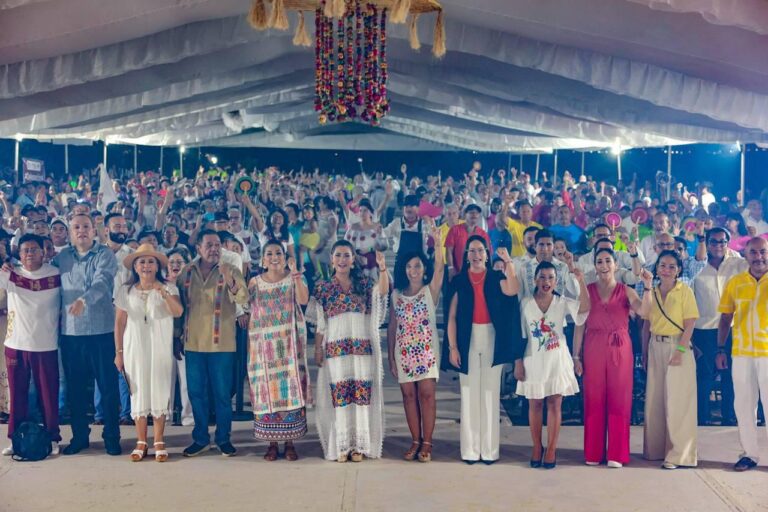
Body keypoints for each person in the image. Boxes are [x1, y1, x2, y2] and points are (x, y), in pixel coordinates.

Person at [572, 249, 653, 468]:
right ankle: (593, 452)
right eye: (599, 261)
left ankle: (617, 453)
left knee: (620, 397)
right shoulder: (587, 290)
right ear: (595, 266)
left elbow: (645, 312)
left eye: (608, 260)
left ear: (616, 264)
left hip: (620, 346)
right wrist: (576, 356)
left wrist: (647, 287)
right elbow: (579, 324)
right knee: (594, 397)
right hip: (593, 345)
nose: (604, 265)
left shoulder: (626, 290)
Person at [311, 241, 389, 462]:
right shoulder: (323, 287)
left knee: (361, 396)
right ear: (332, 259)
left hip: (361, 349)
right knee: (341, 396)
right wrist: (318, 347)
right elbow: (320, 322)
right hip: (336, 349)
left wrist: (383, 269)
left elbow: (381, 293)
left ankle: (359, 446)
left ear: (353, 260)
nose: (342, 260)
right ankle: (342, 446)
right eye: (338, 255)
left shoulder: (364, 283)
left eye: (347, 255)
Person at [445, 237, 521, 464]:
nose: (476, 255)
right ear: (466, 255)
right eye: (472, 251)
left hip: (491, 337)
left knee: (489, 393)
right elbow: (451, 317)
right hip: (466, 339)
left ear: (487, 255)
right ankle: (470, 450)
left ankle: (489, 451)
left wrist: (509, 263)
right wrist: (453, 347)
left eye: (480, 251)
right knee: (469, 393)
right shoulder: (459, 281)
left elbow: (512, 289)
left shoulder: (497, 277)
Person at [176, 229, 248, 457]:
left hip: (222, 344)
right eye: (209, 245)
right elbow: (178, 310)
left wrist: (230, 280)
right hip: (193, 343)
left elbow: (243, 299)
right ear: (198, 248)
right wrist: (176, 337)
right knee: (196, 393)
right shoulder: (186, 273)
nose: (214, 249)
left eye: (217, 245)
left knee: (222, 395)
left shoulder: (231, 270)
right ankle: (200, 438)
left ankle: (223, 438)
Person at [54, 213, 121, 456]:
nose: (81, 231)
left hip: (101, 333)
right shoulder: (61, 258)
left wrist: (84, 300)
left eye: (85, 226)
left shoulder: (105, 255)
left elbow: (102, 283)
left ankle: (112, 437)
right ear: (70, 233)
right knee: (75, 389)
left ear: (95, 230)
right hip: (71, 336)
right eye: (76, 227)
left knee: (108, 388)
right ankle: (80, 437)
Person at [515, 261, 589, 469]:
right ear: (535, 280)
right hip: (533, 359)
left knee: (555, 404)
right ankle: (537, 446)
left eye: (551, 278)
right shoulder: (525, 304)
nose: (546, 282)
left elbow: (584, 309)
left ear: (556, 281)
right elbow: (519, 336)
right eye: (542, 277)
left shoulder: (562, 302)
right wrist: (518, 362)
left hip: (557, 360)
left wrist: (581, 281)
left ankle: (552, 448)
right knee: (535, 404)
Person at [114, 244, 183, 462]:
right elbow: (119, 322)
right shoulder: (126, 290)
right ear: (135, 266)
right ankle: (141, 440)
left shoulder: (169, 287)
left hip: (160, 344)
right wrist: (119, 352)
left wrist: (162, 292)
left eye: (150, 261)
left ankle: (159, 439)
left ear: (157, 265)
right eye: (141, 261)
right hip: (134, 345)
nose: (146, 265)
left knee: (160, 387)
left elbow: (178, 312)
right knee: (138, 390)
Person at [247, 240, 310, 461]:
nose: (274, 257)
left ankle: (290, 442)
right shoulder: (254, 282)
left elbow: (304, 300)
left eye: (278, 253)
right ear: (263, 260)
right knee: (267, 392)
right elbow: (244, 306)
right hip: (263, 349)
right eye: (270, 253)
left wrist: (296, 275)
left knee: (289, 390)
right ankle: (271, 443)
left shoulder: (293, 280)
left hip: (288, 347)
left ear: (285, 257)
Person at [387, 222, 444, 463]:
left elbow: (441, 267)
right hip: (404, 352)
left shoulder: (430, 290)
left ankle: (427, 443)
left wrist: (437, 242)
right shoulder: (397, 294)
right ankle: (415, 439)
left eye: (418, 266)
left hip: (427, 352)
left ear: (424, 268)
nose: (413, 270)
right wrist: (391, 356)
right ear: (404, 269)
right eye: (409, 266)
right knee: (408, 396)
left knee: (427, 395)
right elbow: (392, 326)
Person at [0, 234, 62, 456]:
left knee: (48, 395)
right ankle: (16, 438)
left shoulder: (56, 273)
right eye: (25, 250)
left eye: (34, 249)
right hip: (15, 343)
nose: (29, 254)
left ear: (43, 251)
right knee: (18, 395)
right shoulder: (10, 273)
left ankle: (53, 437)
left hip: (46, 344)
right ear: (19, 253)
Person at [641, 249, 699, 469]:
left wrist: (680, 351)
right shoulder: (652, 291)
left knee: (678, 401)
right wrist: (645, 352)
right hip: (655, 345)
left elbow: (690, 322)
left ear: (679, 270)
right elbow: (645, 320)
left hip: (678, 346)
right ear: (656, 268)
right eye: (662, 265)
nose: (666, 270)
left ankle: (679, 454)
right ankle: (655, 450)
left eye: (672, 266)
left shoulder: (684, 291)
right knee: (655, 400)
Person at [716, 237, 768, 472]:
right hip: (742, 353)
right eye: (754, 252)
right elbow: (726, 317)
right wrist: (720, 349)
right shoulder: (735, 282)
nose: (759, 257)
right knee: (744, 406)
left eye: (763, 252)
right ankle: (750, 454)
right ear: (745, 256)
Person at [692, 227, 745, 426]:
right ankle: (702, 418)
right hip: (703, 328)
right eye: (713, 241)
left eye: (722, 241)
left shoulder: (737, 262)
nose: (718, 246)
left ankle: (729, 417)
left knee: (731, 375)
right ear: (706, 242)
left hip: (732, 326)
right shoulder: (696, 265)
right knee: (704, 375)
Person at [167, 246, 194, 426]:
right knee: (165, 382)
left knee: (186, 381)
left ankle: (188, 417)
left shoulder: (191, 285)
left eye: (179, 262)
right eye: (171, 262)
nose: (175, 265)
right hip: (164, 339)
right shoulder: (162, 284)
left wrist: (180, 337)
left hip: (186, 338)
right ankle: (165, 416)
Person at [444, 204, 491, 281]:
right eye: (471, 213)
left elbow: (487, 254)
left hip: (477, 275)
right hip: (458, 274)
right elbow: (449, 251)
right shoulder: (455, 230)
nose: (474, 215)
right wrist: (450, 268)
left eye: (477, 213)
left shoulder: (483, 234)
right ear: (465, 214)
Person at [344, 199, 388, 280]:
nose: (362, 213)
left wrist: (370, 250)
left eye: (365, 211)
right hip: (355, 260)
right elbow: (346, 245)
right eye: (360, 211)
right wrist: (356, 256)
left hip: (373, 261)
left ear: (371, 213)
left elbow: (384, 245)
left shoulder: (377, 228)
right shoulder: (353, 228)